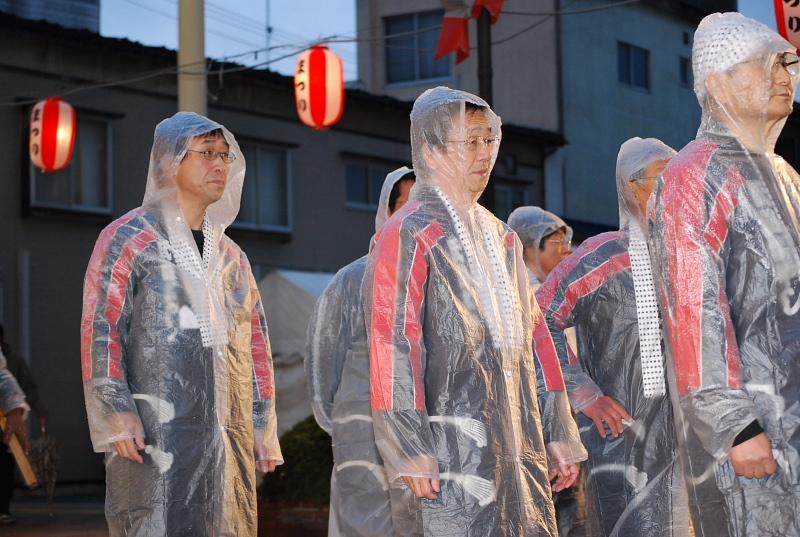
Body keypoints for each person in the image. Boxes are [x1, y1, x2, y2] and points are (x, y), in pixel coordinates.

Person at [363, 86, 586, 536]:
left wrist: (559, 429)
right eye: (470, 141)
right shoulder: (408, 231)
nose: (484, 153)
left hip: (519, 445)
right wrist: (410, 443)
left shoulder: (500, 236)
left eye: (489, 139)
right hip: (447, 451)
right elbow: (392, 343)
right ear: (430, 148)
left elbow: (536, 339)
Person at [80, 112, 282, 537]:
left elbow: (256, 346)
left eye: (226, 156)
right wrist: (115, 412)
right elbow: (102, 330)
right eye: (206, 154)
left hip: (228, 435)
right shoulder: (128, 239)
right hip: (154, 434)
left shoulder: (232, 257)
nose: (220, 165)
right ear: (170, 162)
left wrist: (262, 423)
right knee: (155, 523)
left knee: (227, 524)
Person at [649, 12, 800, 537]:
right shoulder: (696, 174)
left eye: (787, 63)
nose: (786, 76)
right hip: (755, 430)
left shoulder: (783, 176)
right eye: (767, 65)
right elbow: (694, 311)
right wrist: (734, 424)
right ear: (718, 83)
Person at [535, 138, 687, 536]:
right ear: (631, 187)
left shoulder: (691, 257)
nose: (673, 188)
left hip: (689, 441)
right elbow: (536, 318)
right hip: (621, 441)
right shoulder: (601, 257)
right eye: (661, 178)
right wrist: (583, 393)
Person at [306, 166, 415, 537]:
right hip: (363, 437)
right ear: (387, 211)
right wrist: (350, 424)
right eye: (409, 203)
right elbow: (324, 364)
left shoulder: (445, 283)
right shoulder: (353, 280)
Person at [508, 207, 582, 537]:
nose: (566, 249)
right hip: (541, 432)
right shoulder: (522, 300)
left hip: (568, 425)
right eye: (556, 241)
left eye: (568, 240)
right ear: (528, 247)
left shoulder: (560, 295)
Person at [0, 325, 46, 525]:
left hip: (3, 421)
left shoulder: (14, 360)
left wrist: (15, 407)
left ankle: (2, 508)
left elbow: (22, 385)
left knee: (4, 465)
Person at [508, 207, 573, 290]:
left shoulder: (556, 287)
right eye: (558, 241)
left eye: (566, 242)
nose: (567, 249)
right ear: (531, 247)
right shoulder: (524, 292)